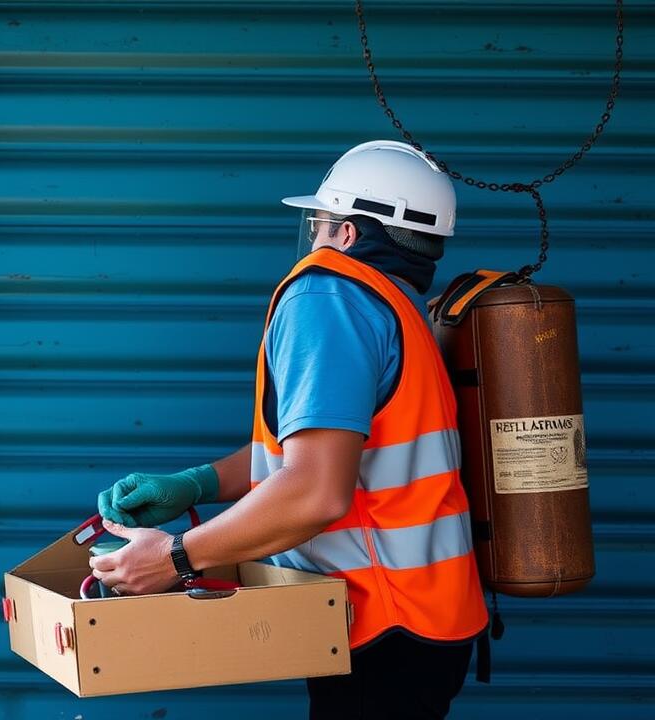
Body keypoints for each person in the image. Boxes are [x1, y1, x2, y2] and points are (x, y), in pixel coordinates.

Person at [89, 141, 489, 719]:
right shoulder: (397, 308)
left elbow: (316, 490)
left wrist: (177, 557)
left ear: (348, 233)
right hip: (426, 620)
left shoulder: (329, 295)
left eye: (321, 223)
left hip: (380, 623)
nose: (315, 239)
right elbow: (318, 454)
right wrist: (196, 483)